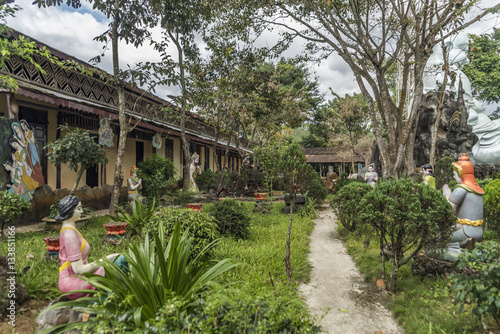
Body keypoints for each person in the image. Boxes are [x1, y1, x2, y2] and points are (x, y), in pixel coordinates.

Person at [442, 153, 484, 261]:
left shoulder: (461, 189)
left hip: (465, 231)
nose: (453, 177)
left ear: (461, 174)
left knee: (435, 237)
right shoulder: (478, 190)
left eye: (454, 174)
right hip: (478, 231)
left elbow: (447, 210)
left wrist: (446, 196)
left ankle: (458, 253)